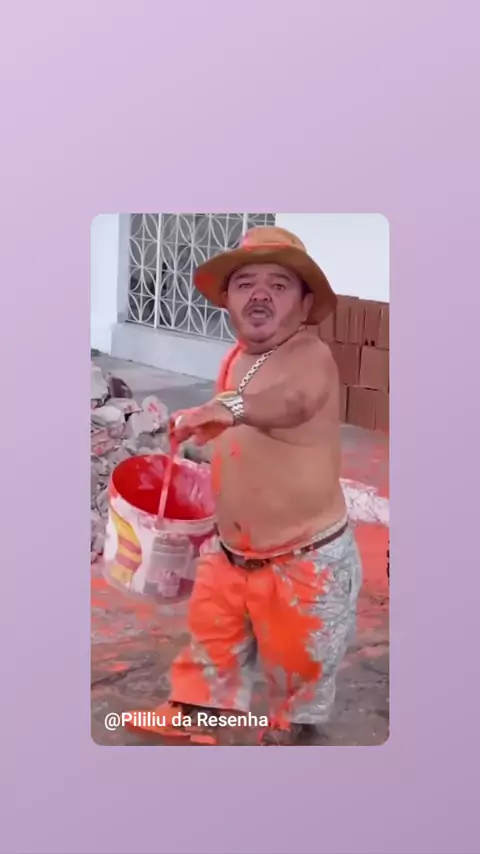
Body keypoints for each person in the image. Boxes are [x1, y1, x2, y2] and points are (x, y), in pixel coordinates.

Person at [129, 226, 362, 745]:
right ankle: (200, 712)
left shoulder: (310, 356)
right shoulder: (238, 357)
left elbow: (290, 402)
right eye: (245, 284)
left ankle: (291, 728)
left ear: (305, 304)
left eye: (278, 285)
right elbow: (239, 429)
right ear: (228, 301)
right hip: (231, 549)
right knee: (212, 637)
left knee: (298, 660)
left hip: (303, 556)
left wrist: (227, 408)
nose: (260, 295)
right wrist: (200, 438)